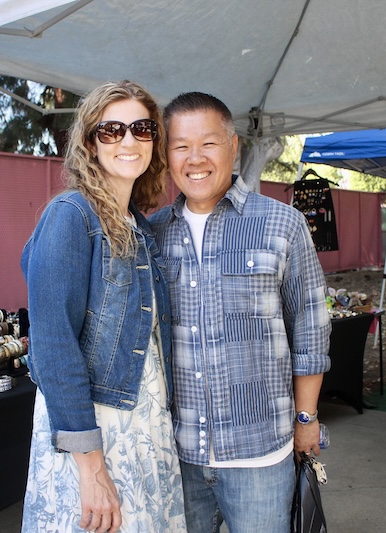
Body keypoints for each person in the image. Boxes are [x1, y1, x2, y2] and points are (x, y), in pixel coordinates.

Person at [150, 92, 331, 533]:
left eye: (208, 143)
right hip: (177, 452)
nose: (195, 158)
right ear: (167, 155)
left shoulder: (283, 223)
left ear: (233, 146)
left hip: (260, 455)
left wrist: (307, 418)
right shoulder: (152, 233)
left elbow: (311, 327)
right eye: (180, 146)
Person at [20, 81, 186, 533]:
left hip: (145, 425)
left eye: (141, 128)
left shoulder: (140, 227)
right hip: (96, 434)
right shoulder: (71, 214)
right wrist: (91, 468)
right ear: (90, 143)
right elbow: (53, 345)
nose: (128, 140)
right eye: (112, 130)